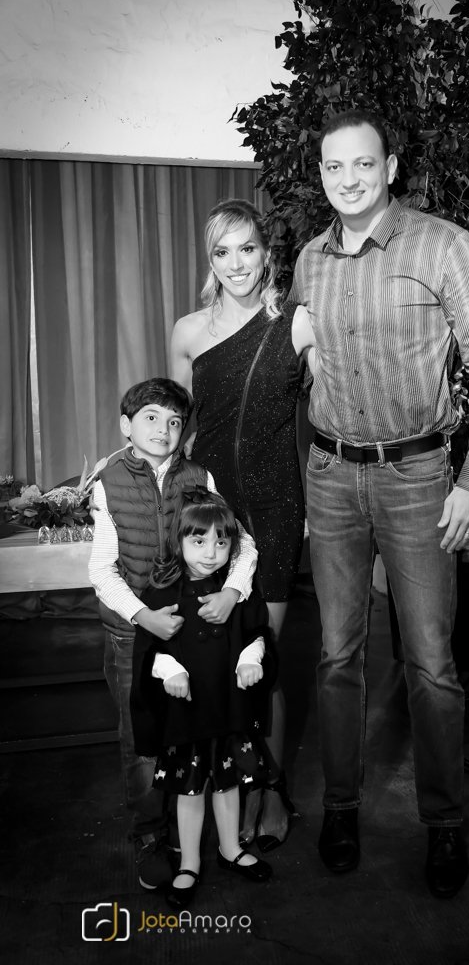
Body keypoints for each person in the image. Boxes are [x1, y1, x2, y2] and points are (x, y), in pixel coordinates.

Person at [289, 110, 469, 899]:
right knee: (335, 655)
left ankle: (443, 822)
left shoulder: (443, 245)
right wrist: (301, 348)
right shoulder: (309, 259)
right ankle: (340, 809)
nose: (347, 179)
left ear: (389, 167)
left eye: (362, 163)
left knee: (430, 662)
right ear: (321, 175)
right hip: (330, 475)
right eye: (333, 166)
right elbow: (306, 354)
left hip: (417, 479)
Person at [170, 199, 304, 852]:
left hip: (276, 507)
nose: (236, 263)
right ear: (210, 261)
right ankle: (224, 782)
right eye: (222, 252)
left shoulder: (295, 324)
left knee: (261, 657)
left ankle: (269, 788)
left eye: (247, 248)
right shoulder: (189, 332)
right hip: (213, 515)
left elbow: (342, 393)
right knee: (213, 658)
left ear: (265, 253)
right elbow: (173, 430)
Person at [88, 378, 258, 891]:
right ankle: (150, 834)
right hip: (133, 634)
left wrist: (232, 592)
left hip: (193, 635)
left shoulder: (198, 475)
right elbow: (102, 570)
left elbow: (242, 544)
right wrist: (144, 617)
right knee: (143, 738)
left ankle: (204, 834)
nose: (163, 430)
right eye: (151, 418)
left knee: (195, 730)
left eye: (174, 421)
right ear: (126, 425)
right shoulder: (108, 481)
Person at [130, 489, 276, 908]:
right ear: (179, 541)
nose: (211, 553)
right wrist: (169, 669)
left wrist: (250, 658)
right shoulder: (163, 595)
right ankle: (190, 862)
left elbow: (256, 632)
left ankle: (230, 849)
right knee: (190, 791)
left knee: (227, 786)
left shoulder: (236, 592)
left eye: (221, 542)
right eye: (199, 541)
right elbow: (149, 650)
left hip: (228, 710)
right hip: (187, 716)